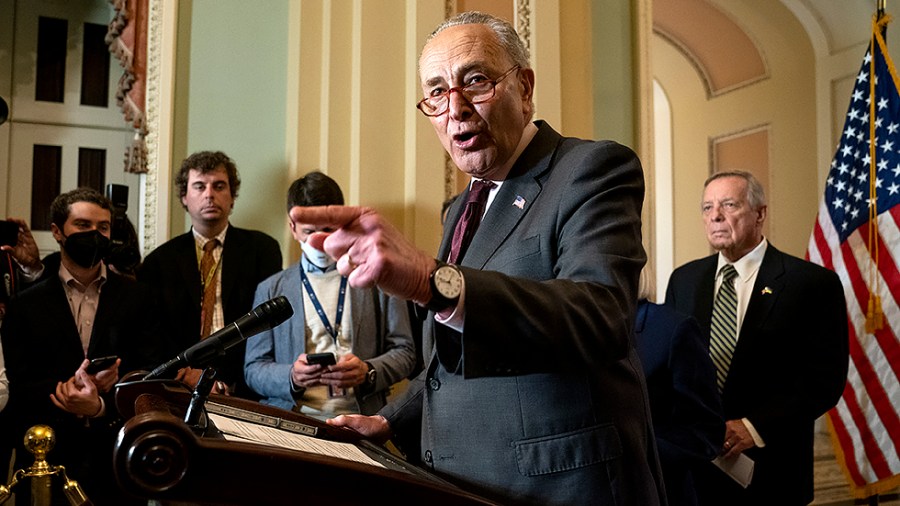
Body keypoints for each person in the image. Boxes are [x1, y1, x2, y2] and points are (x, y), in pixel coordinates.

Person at [292, 11, 665, 505]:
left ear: (525, 88)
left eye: (476, 80)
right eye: (438, 92)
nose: (456, 108)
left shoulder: (591, 169)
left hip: (559, 485)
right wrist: (389, 420)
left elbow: (601, 317)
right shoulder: (459, 211)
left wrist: (432, 279)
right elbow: (447, 367)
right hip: (460, 483)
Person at [665, 170, 849, 505]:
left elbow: (825, 380)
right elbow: (670, 367)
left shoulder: (810, 283)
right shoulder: (684, 280)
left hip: (772, 472)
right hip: (695, 471)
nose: (715, 215)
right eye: (707, 208)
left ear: (760, 213)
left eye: (728, 204)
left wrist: (753, 427)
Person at [1, 188, 163, 505]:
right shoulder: (24, 303)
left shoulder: (140, 298)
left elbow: (152, 370)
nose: (95, 235)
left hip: (116, 459)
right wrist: (67, 390)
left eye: (103, 227)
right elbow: (18, 381)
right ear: (58, 232)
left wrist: (100, 405)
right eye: (83, 225)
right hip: (44, 459)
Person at [244, 172, 415, 419]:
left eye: (327, 230)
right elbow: (253, 369)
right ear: (293, 229)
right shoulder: (271, 288)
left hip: (361, 418)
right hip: (294, 420)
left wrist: (368, 371)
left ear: (342, 225)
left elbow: (406, 351)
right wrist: (291, 375)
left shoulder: (376, 277)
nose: (317, 241)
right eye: (309, 232)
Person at [139, 151, 283, 397]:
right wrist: (186, 375)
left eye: (219, 186)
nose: (209, 194)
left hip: (246, 385)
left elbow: (267, 329)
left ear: (232, 197)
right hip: (179, 386)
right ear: (184, 197)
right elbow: (151, 337)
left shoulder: (262, 250)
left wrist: (225, 380)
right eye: (199, 186)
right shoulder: (158, 262)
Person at [634, 266, 723, 506]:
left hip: (661, 491)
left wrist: (639, 453)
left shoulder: (672, 328)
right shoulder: (570, 332)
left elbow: (706, 432)